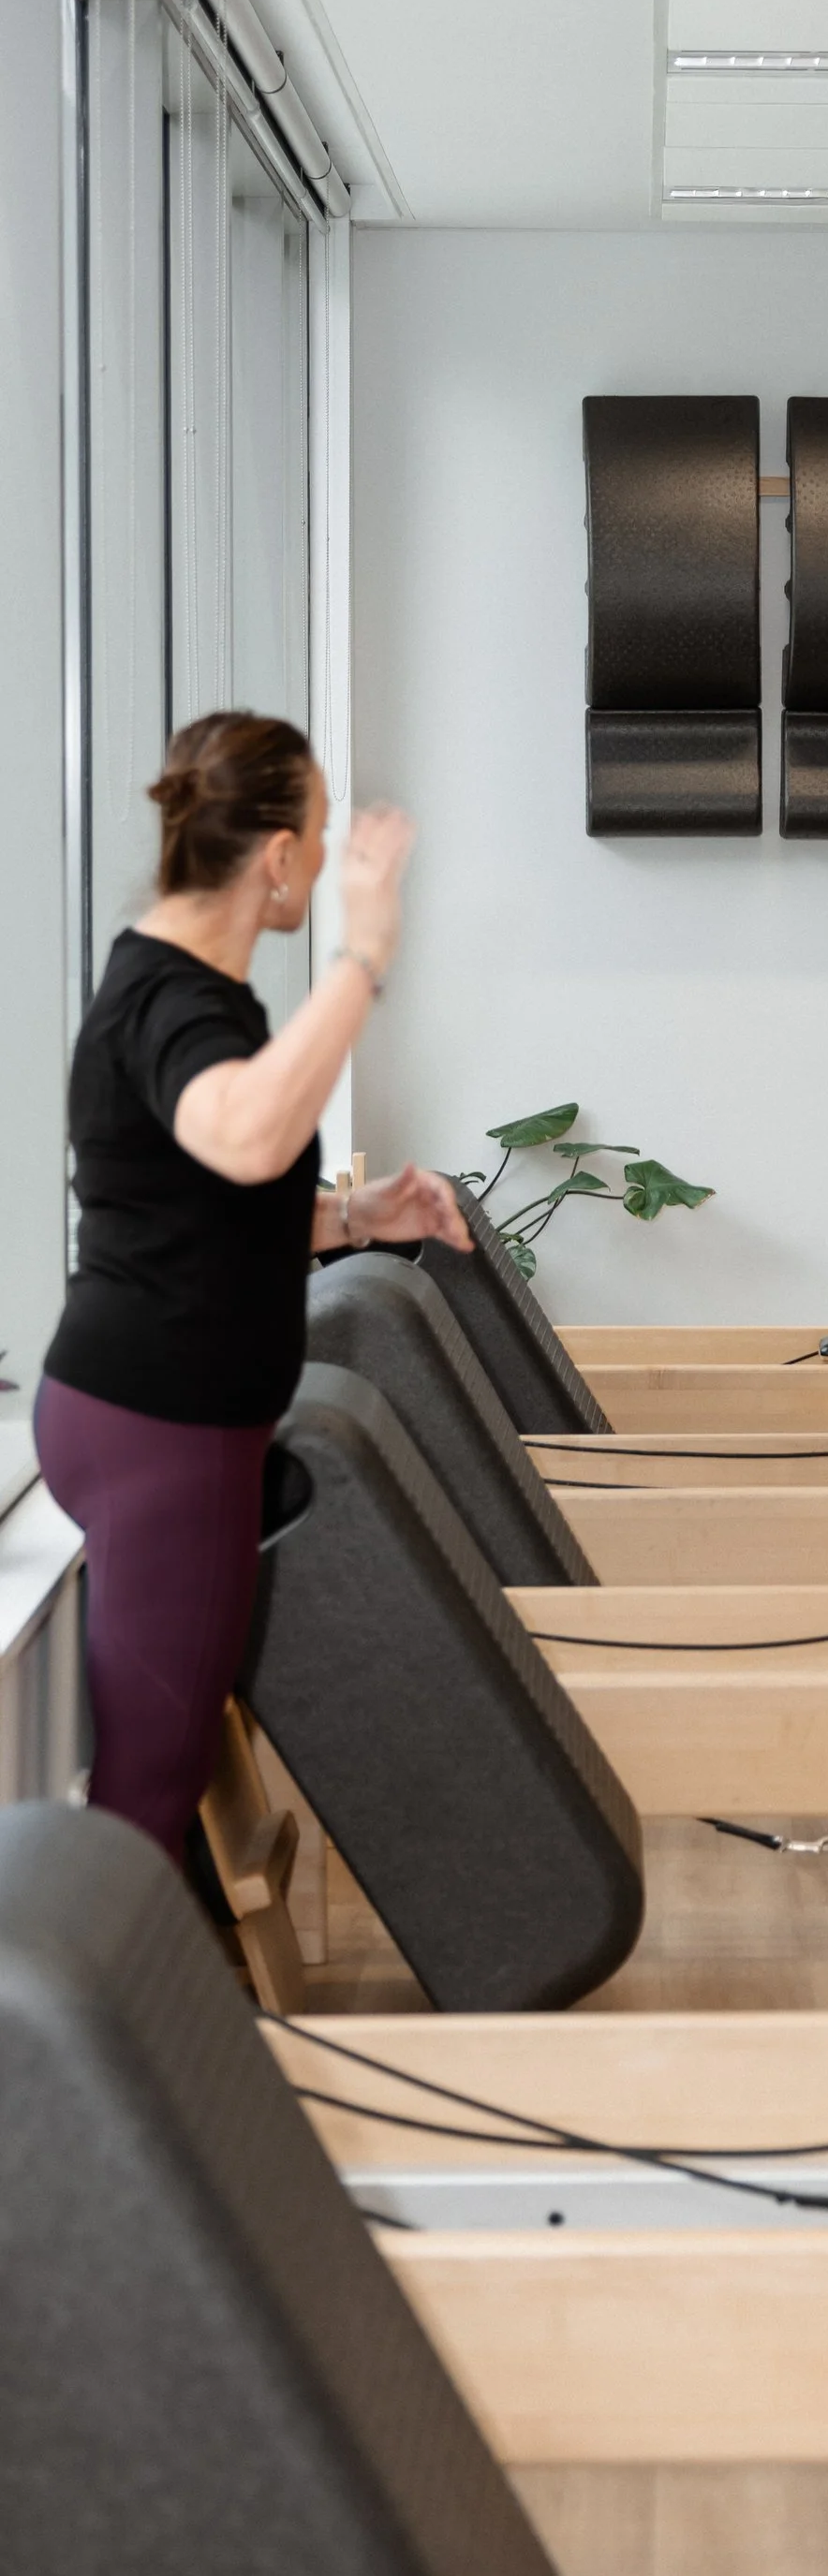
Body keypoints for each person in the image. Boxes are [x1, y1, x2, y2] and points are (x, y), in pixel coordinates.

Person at [35, 711, 470, 1873]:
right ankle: (98, 2051)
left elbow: (201, 1206)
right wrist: (365, 954)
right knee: (148, 1787)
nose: (327, 863)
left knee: (160, 1771)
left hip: (154, 1416)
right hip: (161, 1428)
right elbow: (240, 1137)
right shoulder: (174, 997)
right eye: (320, 835)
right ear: (277, 856)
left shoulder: (184, 991)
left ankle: (151, 2029)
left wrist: (349, 1219)